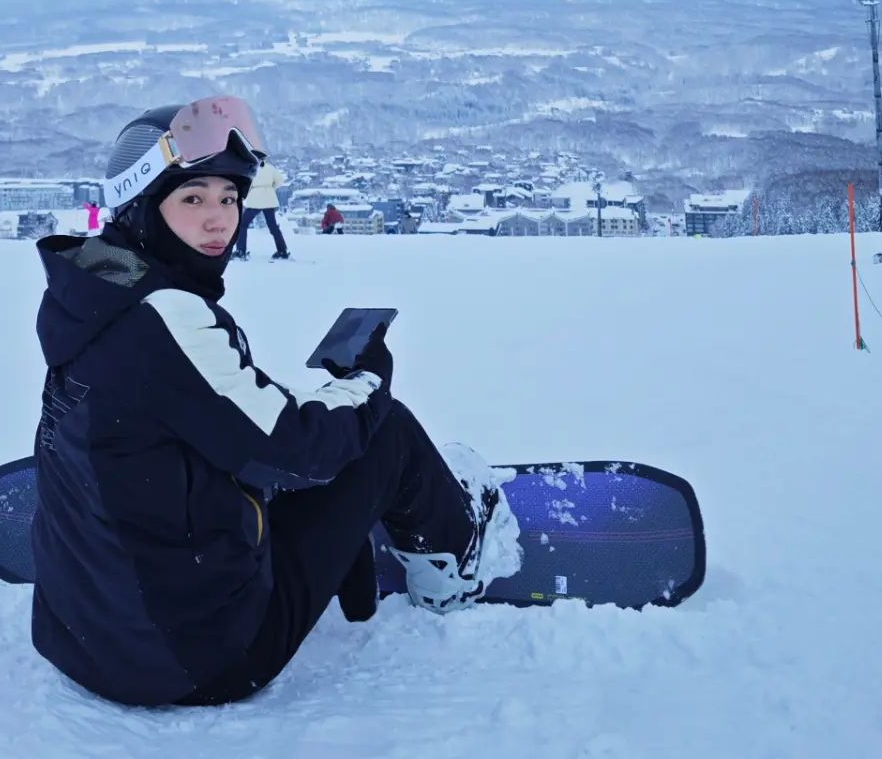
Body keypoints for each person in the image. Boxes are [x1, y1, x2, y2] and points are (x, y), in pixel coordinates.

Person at [28, 95, 520, 710]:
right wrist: (366, 381)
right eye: (193, 198)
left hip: (78, 637)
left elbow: (200, 417)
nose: (219, 221)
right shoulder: (165, 316)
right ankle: (456, 564)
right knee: (384, 429)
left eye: (229, 198)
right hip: (199, 658)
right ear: (142, 204)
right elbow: (295, 451)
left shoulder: (94, 284)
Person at [235, 155, 289, 260]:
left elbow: (246, 184)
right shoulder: (270, 168)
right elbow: (280, 181)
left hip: (255, 199)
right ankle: (282, 251)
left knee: (243, 224)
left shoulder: (251, 168)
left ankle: (241, 251)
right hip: (268, 198)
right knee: (273, 226)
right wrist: (269, 188)